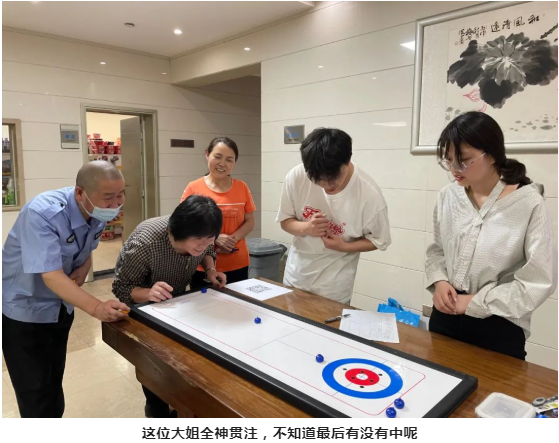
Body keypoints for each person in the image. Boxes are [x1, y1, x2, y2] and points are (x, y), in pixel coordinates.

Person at [425, 111, 557, 360]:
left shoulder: (528, 203)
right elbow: (437, 249)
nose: (454, 169)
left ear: (493, 154)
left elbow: (538, 281)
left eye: (464, 160)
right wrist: (440, 281)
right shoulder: (448, 195)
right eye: (448, 160)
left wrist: (475, 302)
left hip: (499, 323)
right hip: (445, 314)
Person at [2, 161, 129, 418]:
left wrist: (85, 265)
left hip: (61, 305)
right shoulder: (42, 213)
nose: (116, 204)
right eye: (108, 197)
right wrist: (97, 307)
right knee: (35, 392)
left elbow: (86, 246)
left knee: (52, 379)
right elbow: (51, 275)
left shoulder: (96, 211)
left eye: (121, 195)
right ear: (80, 193)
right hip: (26, 310)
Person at [112, 194, 226, 418]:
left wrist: (211, 270)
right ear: (178, 233)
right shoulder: (145, 243)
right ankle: (156, 411)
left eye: (210, 239)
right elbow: (121, 288)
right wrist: (149, 293)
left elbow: (207, 251)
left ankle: (179, 403)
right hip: (144, 308)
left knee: (180, 361)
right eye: (199, 240)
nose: (204, 244)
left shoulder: (202, 239)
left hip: (176, 303)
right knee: (152, 366)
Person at [276, 128, 391, 303]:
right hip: (296, 277)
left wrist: (344, 246)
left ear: (348, 160)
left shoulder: (369, 195)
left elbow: (378, 241)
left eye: (333, 177)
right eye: (317, 179)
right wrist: (306, 228)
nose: (326, 185)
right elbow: (285, 221)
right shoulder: (296, 177)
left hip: (335, 288)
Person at [180, 137, 256, 287]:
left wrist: (231, 240)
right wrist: (214, 238)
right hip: (201, 265)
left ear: (234, 163)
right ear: (207, 155)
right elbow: (184, 224)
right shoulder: (193, 187)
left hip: (237, 263)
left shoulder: (242, 187)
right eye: (217, 157)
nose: (222, 163)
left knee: (237, 301)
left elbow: (250, 220)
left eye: (229, 159)